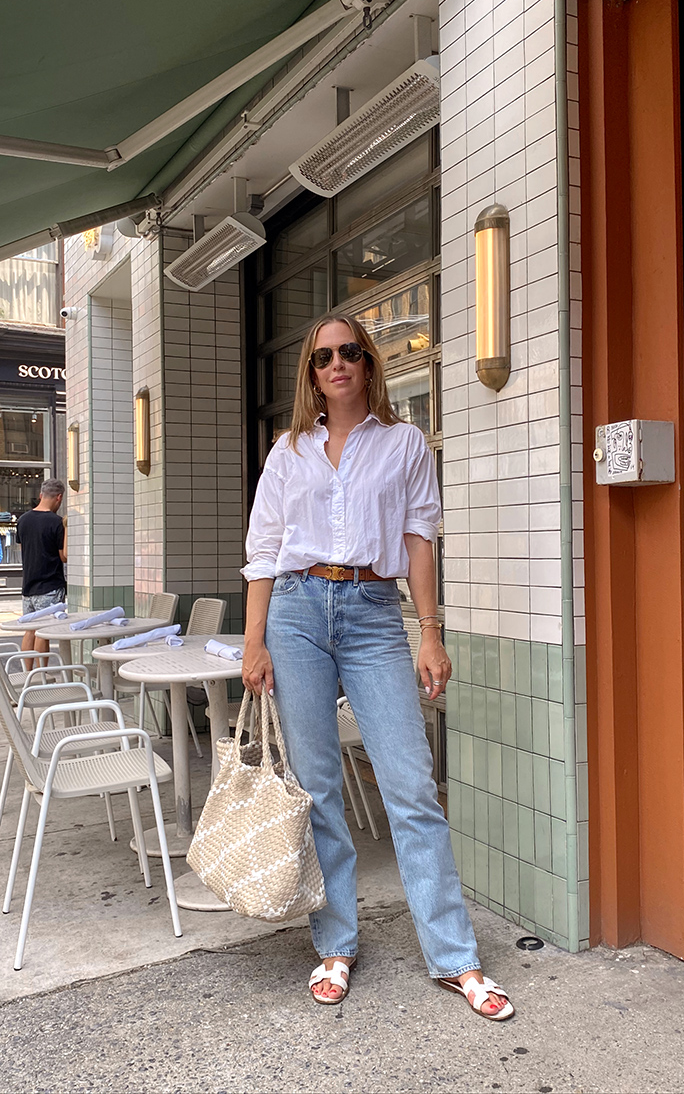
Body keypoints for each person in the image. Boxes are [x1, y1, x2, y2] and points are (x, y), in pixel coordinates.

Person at [242, 314, 513, 1022]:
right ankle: (336, 943)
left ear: (368, 364)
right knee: (319, 785)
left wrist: (429, 632)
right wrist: (253, 641)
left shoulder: (404, 444)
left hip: (370, 610)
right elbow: (264, 551)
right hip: (295, 612)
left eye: (349, 352)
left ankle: (455, 955)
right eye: (323, 355)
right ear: (311, 371)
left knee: (411, 783)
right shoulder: (288, 451)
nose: (336, 363)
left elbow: (420, 540)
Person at [16, 479, 67, 661]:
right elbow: (64, 556)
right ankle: (42, 676)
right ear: (59, 498)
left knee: (29, 630)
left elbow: (24, 550)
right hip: (49, 586)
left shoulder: (22, 520)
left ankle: (27, 675)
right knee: (43, 632)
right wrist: (66, 530)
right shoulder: (57, 522)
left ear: (40, 496)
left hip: (28, 586)